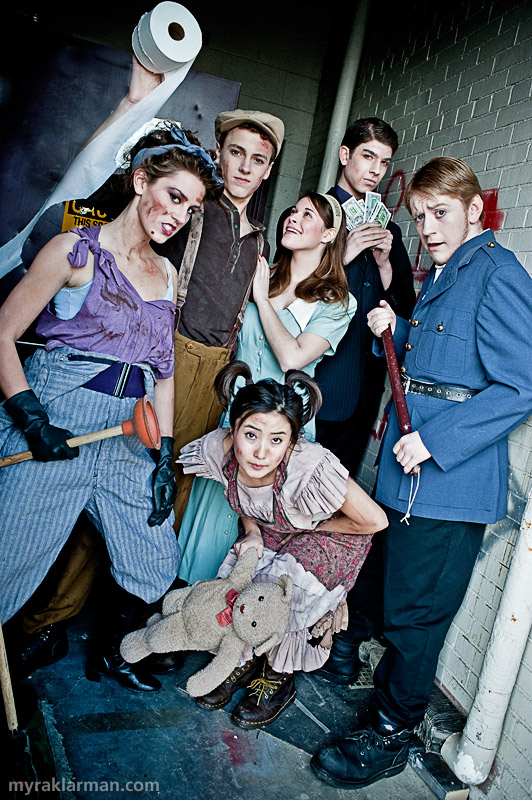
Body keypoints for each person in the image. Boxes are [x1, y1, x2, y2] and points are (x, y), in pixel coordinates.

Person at [7, 57, 285, 681]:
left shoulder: (257, 234)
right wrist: (136, 103)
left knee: (158, 505)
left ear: (268, 170)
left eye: (258, 160)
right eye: (235, 153)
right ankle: (47, 625)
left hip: (205, 374)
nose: (244, 167)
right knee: (76, 504)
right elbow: (101, 193)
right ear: (218, 153)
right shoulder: (190, 203)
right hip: (146, 357)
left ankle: (119, 641)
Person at [311, 156, 532, 790]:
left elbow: (519, 386)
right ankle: (382, 700)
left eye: (441, 213)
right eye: (421, 215)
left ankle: (393, 728)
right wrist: (399, 327)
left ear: (473, 210)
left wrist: (434, 443)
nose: (429, 226)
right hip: (413, 474)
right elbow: (445, 357)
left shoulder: (495, 272)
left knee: (417, 615)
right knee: (394, 594)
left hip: (449, 482)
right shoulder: (446, 271)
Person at [0, 120, 223, 692]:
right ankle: (24, 644)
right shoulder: (74, 251)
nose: (178, 214)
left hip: (128, 434)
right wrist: (29, 418)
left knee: (153, 560)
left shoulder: (167, 273)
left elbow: (164, 371)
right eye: (174, 195)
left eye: (191, 207)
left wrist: (163, 455)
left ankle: (112, 653)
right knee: (7, 572)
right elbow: (2, 334)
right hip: (56, 420)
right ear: (141, 180)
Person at [177, 360, 388, 728]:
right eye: (251, 435)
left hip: (333, 536)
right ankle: (240, 660)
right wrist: (254, 533)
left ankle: (276, 676)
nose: (261, 452)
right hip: (278, 529)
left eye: (277, 440)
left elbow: (374, 521)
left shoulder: (309, 466)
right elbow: (241, 498)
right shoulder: (219, 451)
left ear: (292, 442)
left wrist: (310, 529)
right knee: (245, 570)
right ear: (234, 426)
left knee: (281, 585)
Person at [177, 191, 357, 584]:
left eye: (308, 215)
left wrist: (263, 300)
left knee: (261, 534)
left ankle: (230, 633)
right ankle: (186, 614)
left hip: (281, 429)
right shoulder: (264, 274)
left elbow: (293, 357)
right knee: (209, 520)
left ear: (328, 235)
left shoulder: (337, 301)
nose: (294, 217)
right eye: (293, 210)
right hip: (235, 417)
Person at [312, 118, 416, 688]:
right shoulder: (317, 211)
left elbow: (404, 301)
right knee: (297, 495)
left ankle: (323, 621)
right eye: (368, 157)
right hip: (320, 374)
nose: (376, 170)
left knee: (340, 503)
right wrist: (347, 251)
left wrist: (380, 263)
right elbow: (298, 285)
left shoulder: (389, 225)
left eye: (384, 161)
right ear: (346, 154)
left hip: (365, 386)